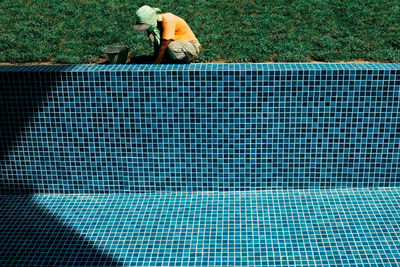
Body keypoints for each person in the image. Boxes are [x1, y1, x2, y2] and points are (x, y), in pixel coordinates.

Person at [134, 5, 201, 64]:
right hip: (176, 44)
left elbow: (164, 46)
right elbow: (157, 42)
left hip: (192, 46)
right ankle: (167, 59)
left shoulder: (168, 20)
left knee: (172, 46)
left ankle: (185, 65)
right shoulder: (157, 24)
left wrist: (155, 65)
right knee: (153, 37)